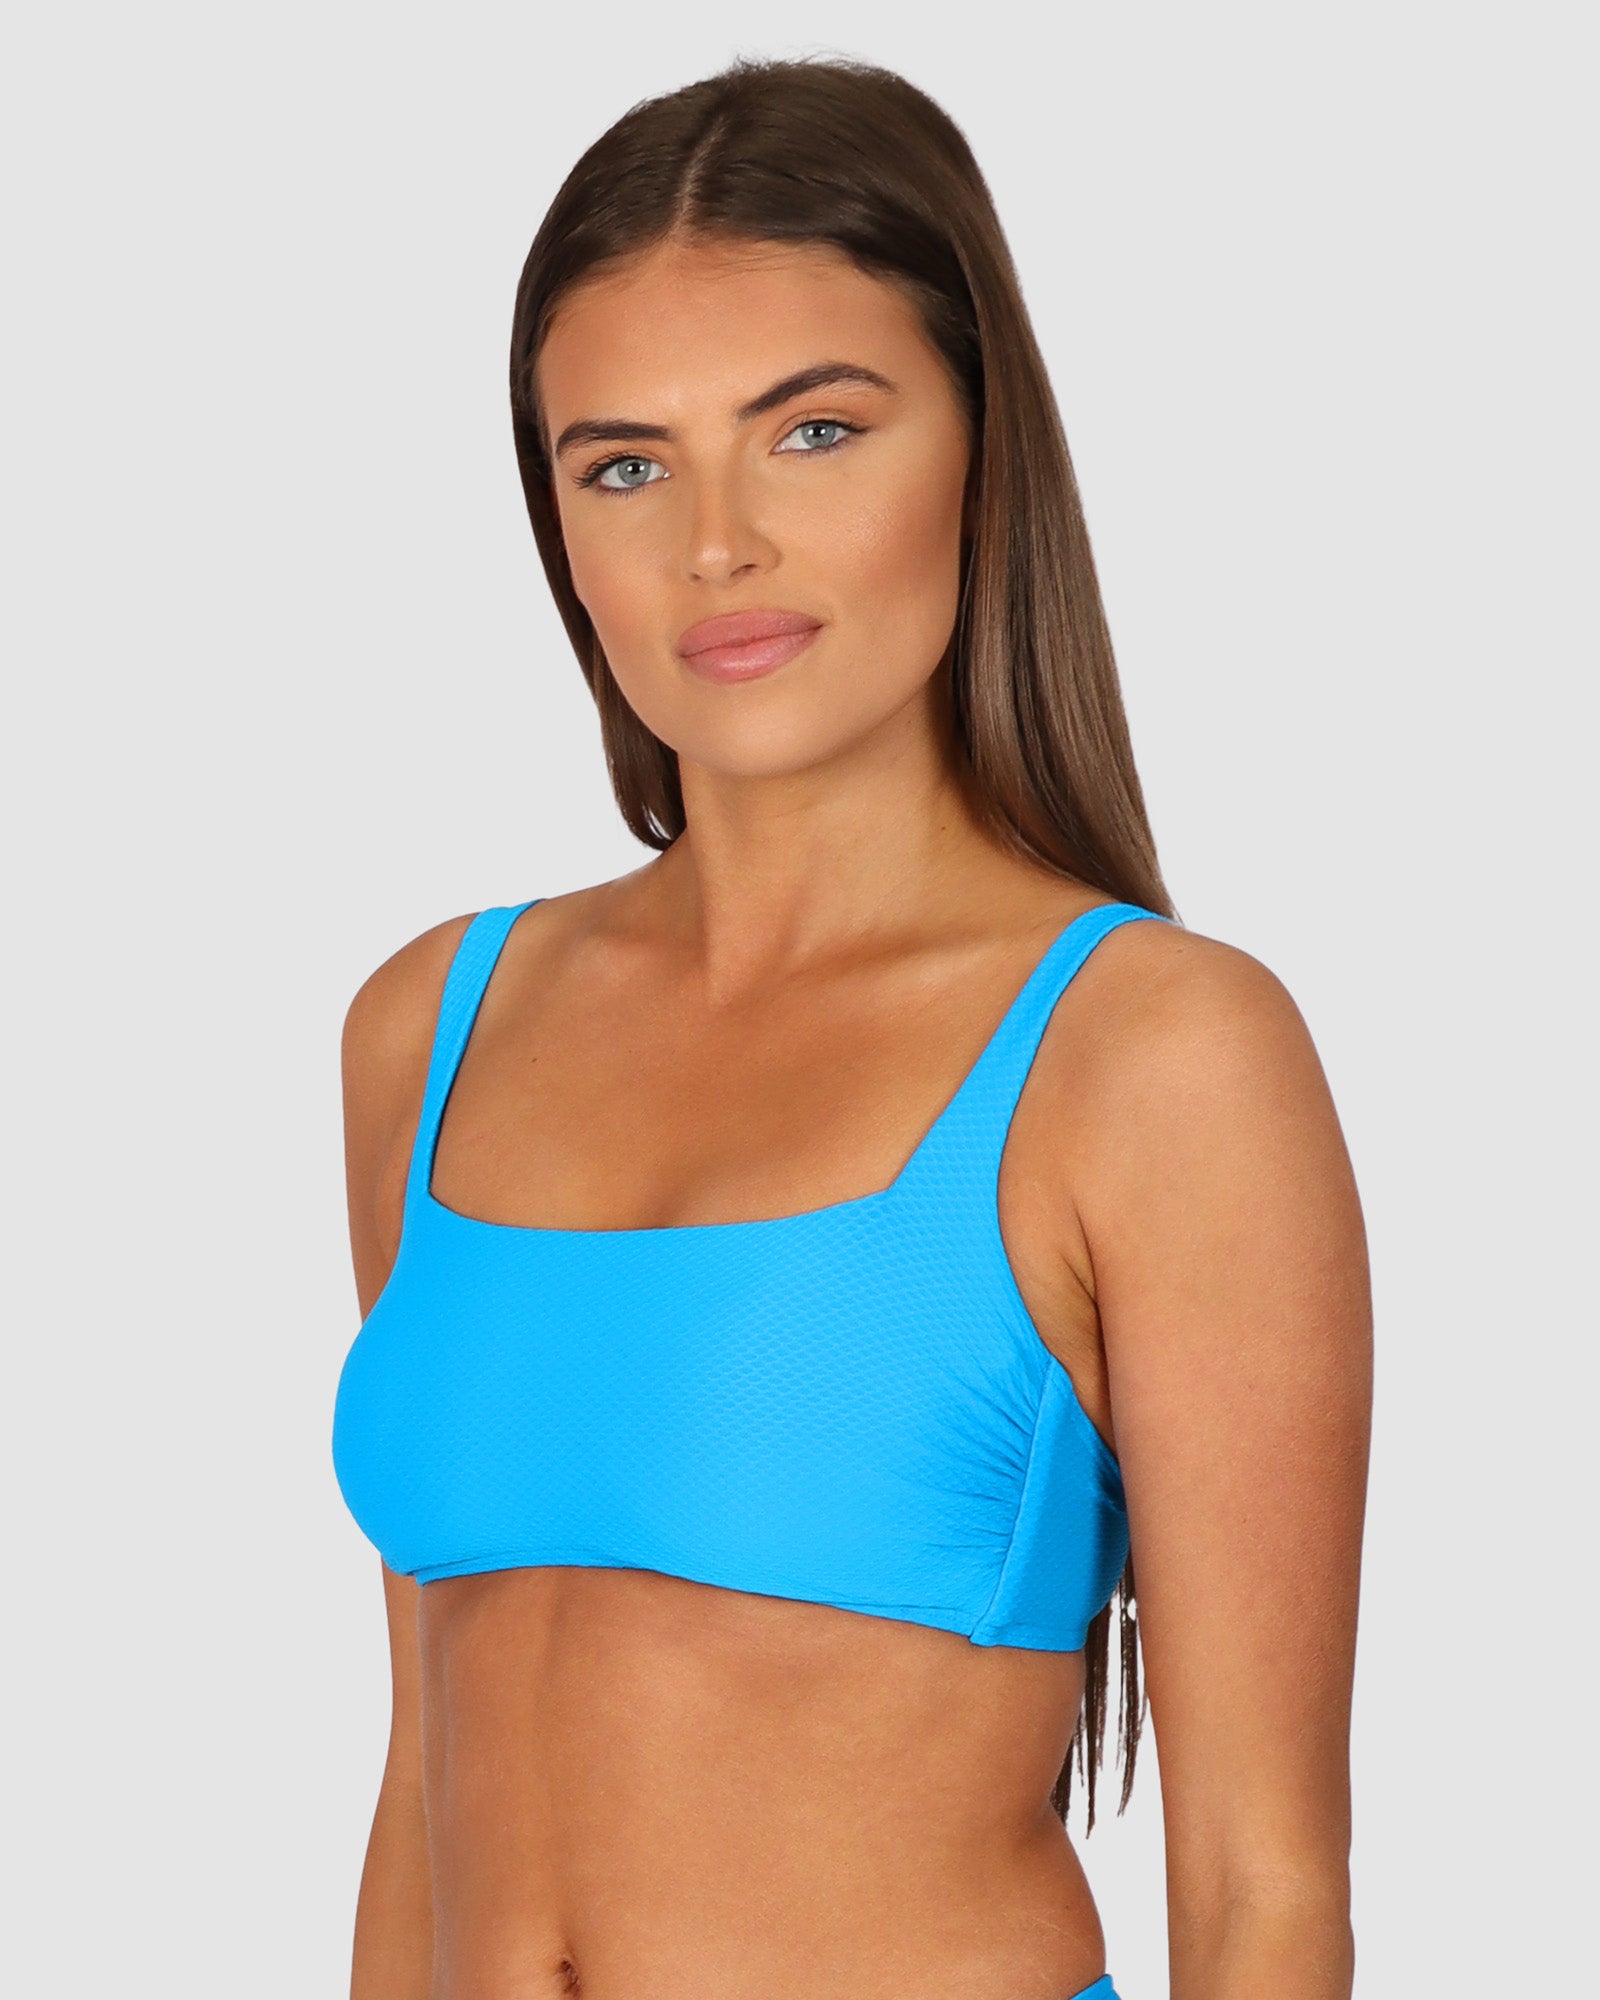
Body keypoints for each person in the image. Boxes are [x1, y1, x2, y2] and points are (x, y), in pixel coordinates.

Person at [330, 54, 1372, 2000]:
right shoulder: (435, 1028)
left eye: (812, 432)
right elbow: (422, 1787)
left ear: (981, 450)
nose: (714, 543)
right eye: (622, 464)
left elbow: (1262, 1891)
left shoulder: (1150, 1056)